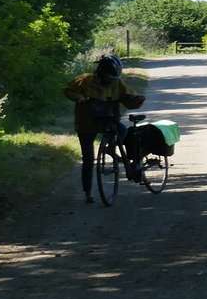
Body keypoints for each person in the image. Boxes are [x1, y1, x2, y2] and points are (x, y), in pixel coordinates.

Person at [63, 54, 147, 202]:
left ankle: (111, 149)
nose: (111, 80)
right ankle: (88, 192)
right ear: (101, 73)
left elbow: (128, 96)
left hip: (109, 120)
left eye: (113, 78)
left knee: (123, 131)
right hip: (86, 122)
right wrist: (79, 97)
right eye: (109, 77)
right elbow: (68, 90)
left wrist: (136, 100)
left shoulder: (117, 83)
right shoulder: (85, 80)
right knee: (88, 159)